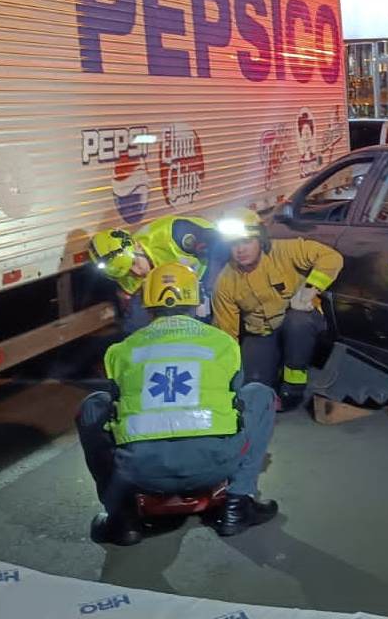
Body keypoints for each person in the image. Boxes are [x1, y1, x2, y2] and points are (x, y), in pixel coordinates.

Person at [77, 262, 279, 546]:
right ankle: (237, 507)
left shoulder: (121, 351)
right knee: (259, 394)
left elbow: (117, 404)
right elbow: (235, 397)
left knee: (93, 405)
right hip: (217, 463)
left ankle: (122, 519)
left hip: (140, 472)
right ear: (197, 302)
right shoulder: (222, 343)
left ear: (147, 307)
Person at [212, 209, 343, 411]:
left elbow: (331, 258)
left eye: (247, 241)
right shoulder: (225, 282)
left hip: (299, 322)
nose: (240, 250)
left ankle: (293, 389)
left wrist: (309, 290)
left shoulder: (285, 251)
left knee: (297, 323)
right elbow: (226, 335)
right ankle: (269, 379)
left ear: (261, 240)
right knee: (252, 390)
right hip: (262, 333)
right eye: (234, 244)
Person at [88, 216, 222, 333]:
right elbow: (131, 303)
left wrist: (206, 290)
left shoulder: (177, 236)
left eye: (134, 263)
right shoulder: (123, 268)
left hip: (206, 267)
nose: (136, 272)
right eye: (129, 271)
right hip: (175, 284)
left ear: (138, 247)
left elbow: (219, 249)